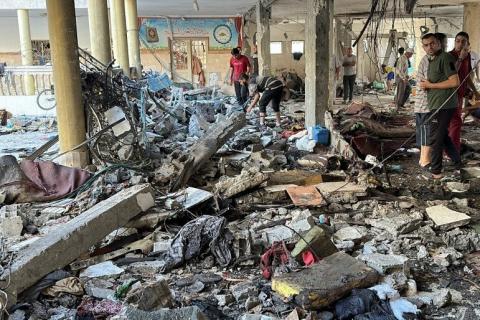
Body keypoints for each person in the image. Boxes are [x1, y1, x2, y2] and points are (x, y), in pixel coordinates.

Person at [419, 33, 460, 179]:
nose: (429, 47)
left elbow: (455, 81)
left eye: (432, 43)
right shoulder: (432, 59)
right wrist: (427, 85)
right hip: (435, 103)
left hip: (444, 104)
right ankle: (457, 162)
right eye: (426, 45)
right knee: (442, 136)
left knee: (436, 137)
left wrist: (431, 85)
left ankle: (436, 171)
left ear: (438, 43)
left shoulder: (445, 58)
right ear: (423, 47)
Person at [447, 31, 480, 153]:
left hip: (459, 95)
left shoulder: (467, 57)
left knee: (454, 123)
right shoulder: (449, 56)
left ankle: (452, 150)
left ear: (468, 44)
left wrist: (475, 91)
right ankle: (452, 152)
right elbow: (451, 73)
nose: (460, 44)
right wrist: (460, 58)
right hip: (449, 95)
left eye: (463, 42)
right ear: (454, 42)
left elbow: (466, 76)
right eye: (458, 41)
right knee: (454, 122)